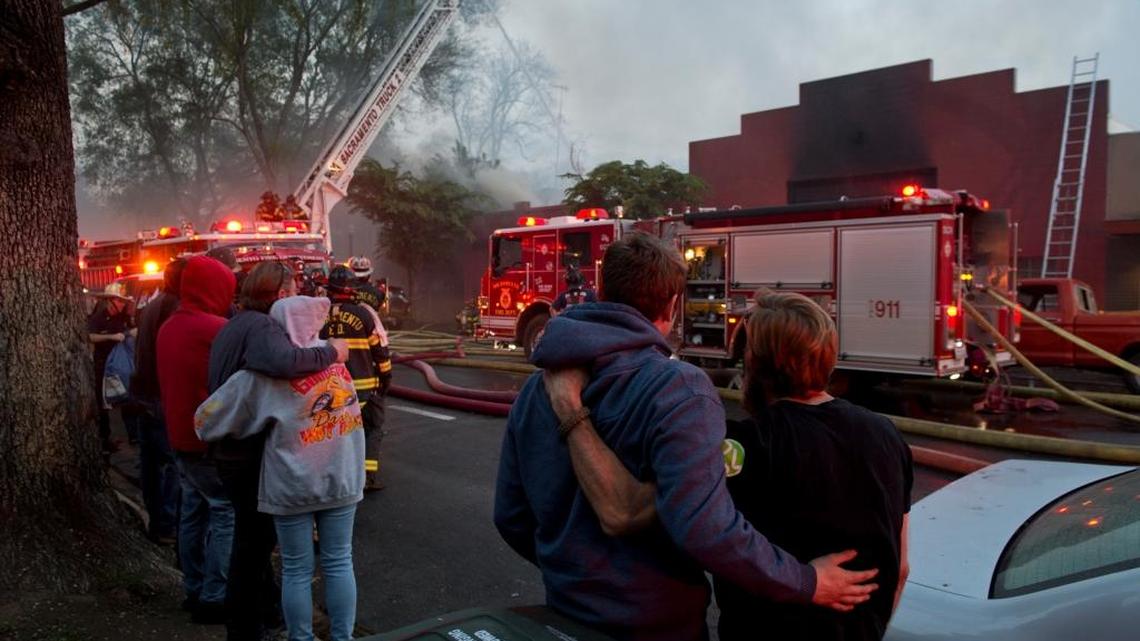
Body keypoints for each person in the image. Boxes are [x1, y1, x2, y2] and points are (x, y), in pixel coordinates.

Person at [493, 232, 877, 641]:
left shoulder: (542, 388)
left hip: (564, 613)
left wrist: (573, 571)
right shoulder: (682, 390)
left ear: (603, 292)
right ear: (673, 304)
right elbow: (706, 527)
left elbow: (511, 515)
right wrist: (806, 581)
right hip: (660, 626)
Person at [546, 291, 913, 641]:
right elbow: (901, 569)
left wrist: (572, 410)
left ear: (753, 362)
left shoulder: (744, 444)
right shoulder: (888, 436)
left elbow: (652, 510)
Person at [196, 295, 364, 641]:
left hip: (292, 484)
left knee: (297, 569)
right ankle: (343, 636)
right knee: (338, 561)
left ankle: (300, 637)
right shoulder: (337, 360)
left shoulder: (263, 377)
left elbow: (207, 420)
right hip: (342, 479)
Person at [156, 255, 237, 625]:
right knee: (225, 511)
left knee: (192, 513)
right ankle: (215, 596)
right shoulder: (216, 329)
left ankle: (193, 587)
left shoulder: (170, 326)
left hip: (179, 436)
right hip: (209, 439)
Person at [132, 258, 187, 545]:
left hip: (144, 394)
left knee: (151, 464)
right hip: (162, 396)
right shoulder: (174, 308)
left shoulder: (153, 305)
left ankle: (157, 520)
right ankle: (167, 525)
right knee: (170, 465)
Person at [322, 265, 392, 491]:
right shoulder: (363, 314)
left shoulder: (318, 314)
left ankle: (337, 475)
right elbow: (379, 350)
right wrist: (385, 377)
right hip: (363, 388)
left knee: (336, 433)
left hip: (330, 387)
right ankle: (368, 476)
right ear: (353, 289)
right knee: (371, 428)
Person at [88, 284, 133, 453]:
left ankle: (131, 434)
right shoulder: (98, 317)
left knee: (125, 397)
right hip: (103, 365)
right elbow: (90, 336)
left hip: (119, 365)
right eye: (120, 301)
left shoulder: (122, 317)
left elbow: (127, 331)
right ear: (111, 301)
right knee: (102, 402)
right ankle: (104, 440)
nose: (123, 304)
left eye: (123, 301)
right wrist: (111, 336)